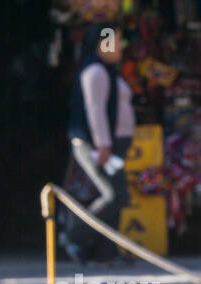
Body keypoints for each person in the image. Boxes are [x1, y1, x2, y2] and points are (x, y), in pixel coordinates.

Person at [61, 22, 135, 265]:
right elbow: (95, 111)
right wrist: (103, 144)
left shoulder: (107, 70)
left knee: (119, 197)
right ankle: (73, 235)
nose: (120, 47)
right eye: (115, 41)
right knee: (113, 195)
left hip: (111, 146)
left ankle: (107, 253)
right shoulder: (95, 71)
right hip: (97, 146)